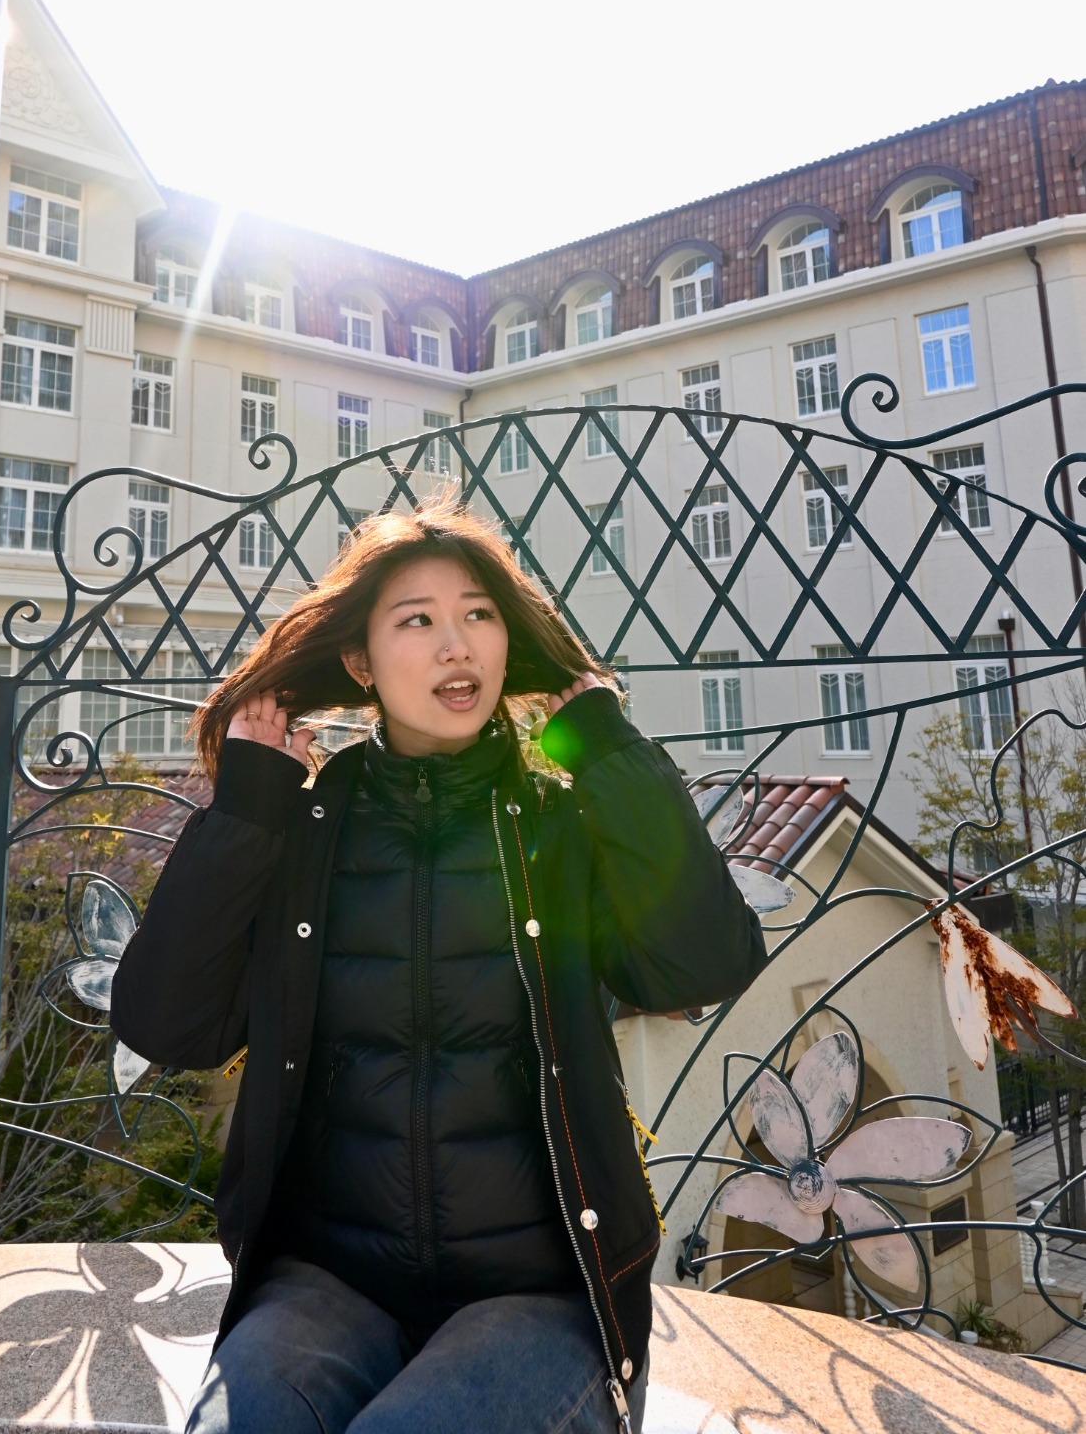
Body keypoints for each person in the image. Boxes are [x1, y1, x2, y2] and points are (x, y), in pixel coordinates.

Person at [112, 494, 767, 1433]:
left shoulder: (560, 820)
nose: (455, 645)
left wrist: (610, 752)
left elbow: (699, 967)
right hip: (325, 1284)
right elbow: (168, 1025)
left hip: (539, 1299)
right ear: (358, 662)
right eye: (416, 621)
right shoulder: (304, 830)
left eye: (478, 614)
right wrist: (246, 810)